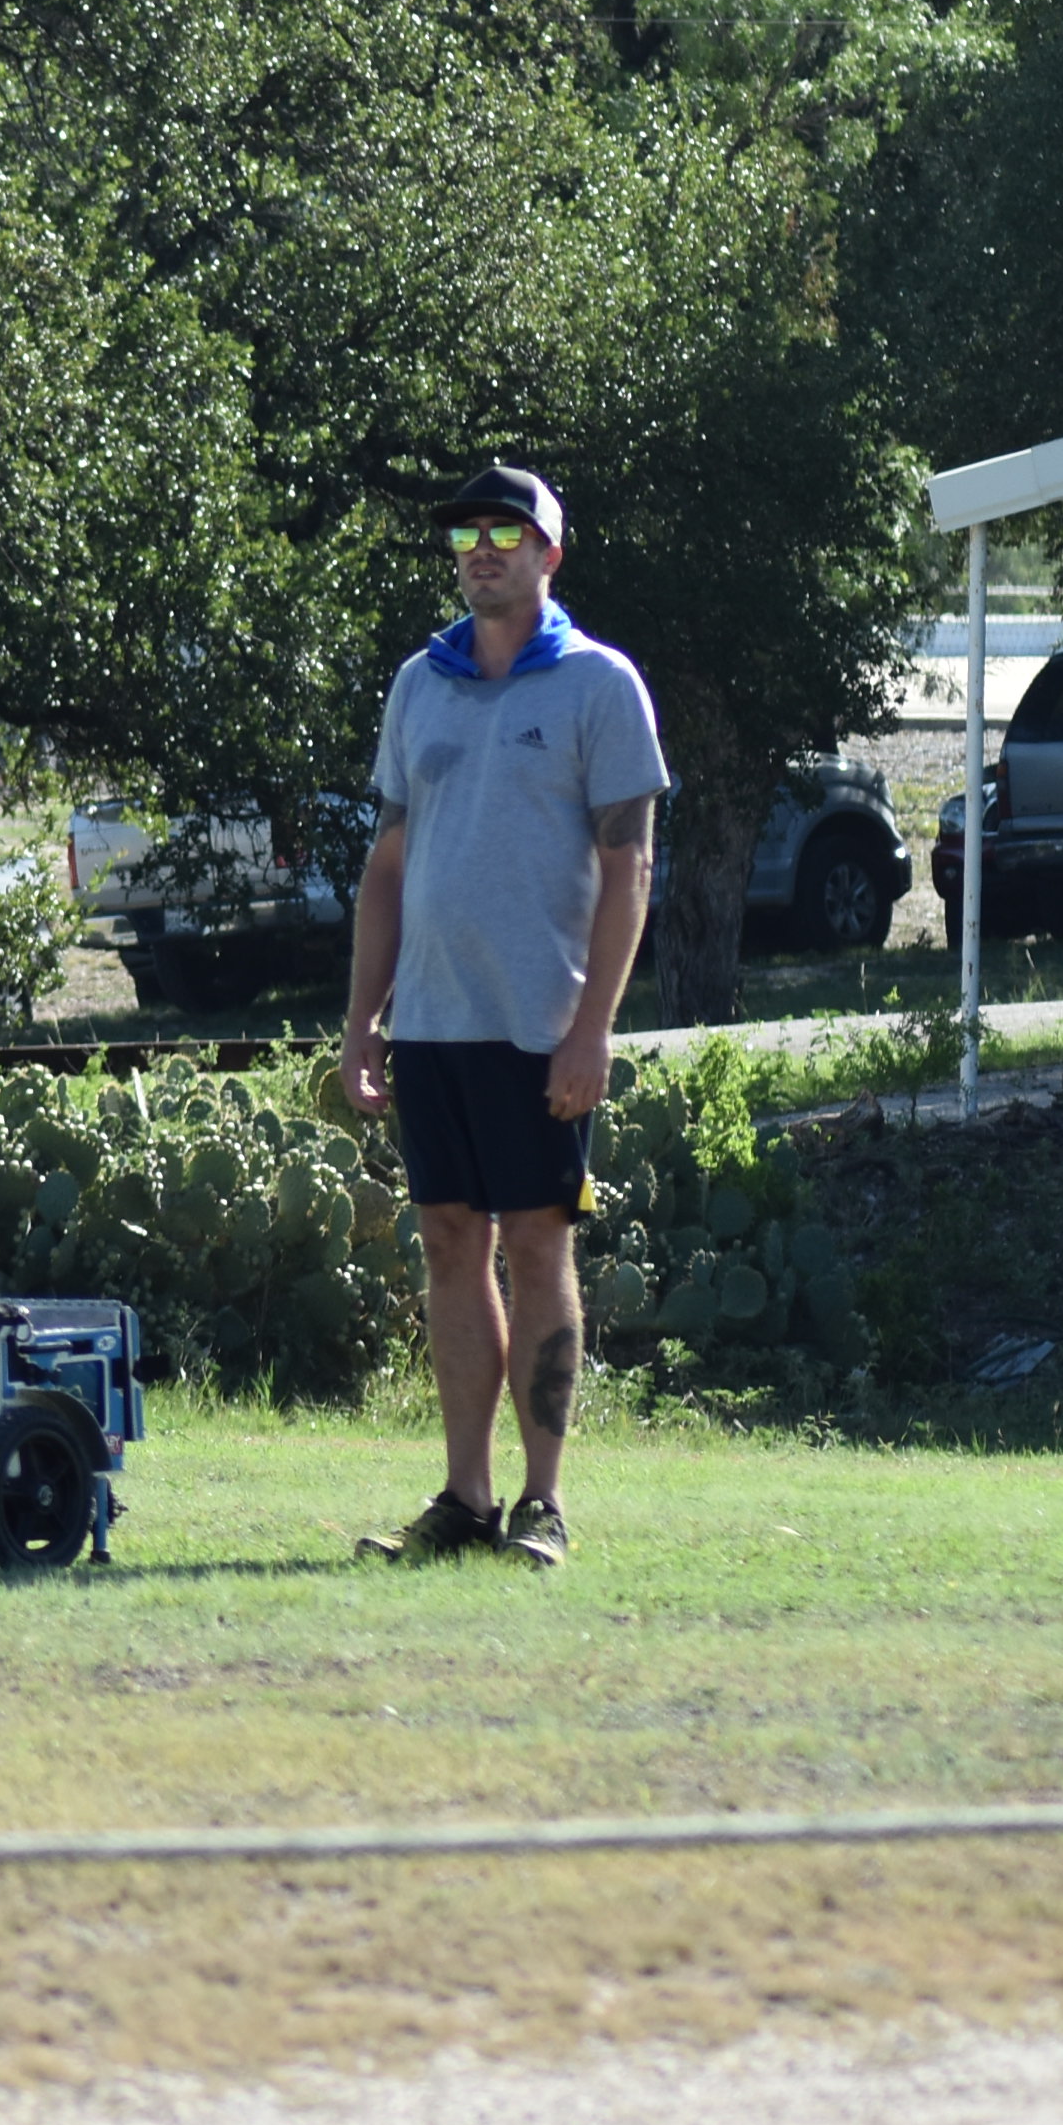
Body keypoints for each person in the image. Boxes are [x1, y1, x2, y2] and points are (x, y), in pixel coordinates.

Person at [338, 463, 663, 1571]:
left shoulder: (597, 685)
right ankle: (463, 1499)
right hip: (429, 1021)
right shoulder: (415, 685)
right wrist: (358, 1019)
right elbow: (384, 865)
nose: (483, 547)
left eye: (507, 532)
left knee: (534, 1244)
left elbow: (629, 869)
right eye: (468, 532)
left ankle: (541, 1502)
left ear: (548, 554)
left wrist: (591, 1029)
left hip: (539, 1028)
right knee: (445, 1243)